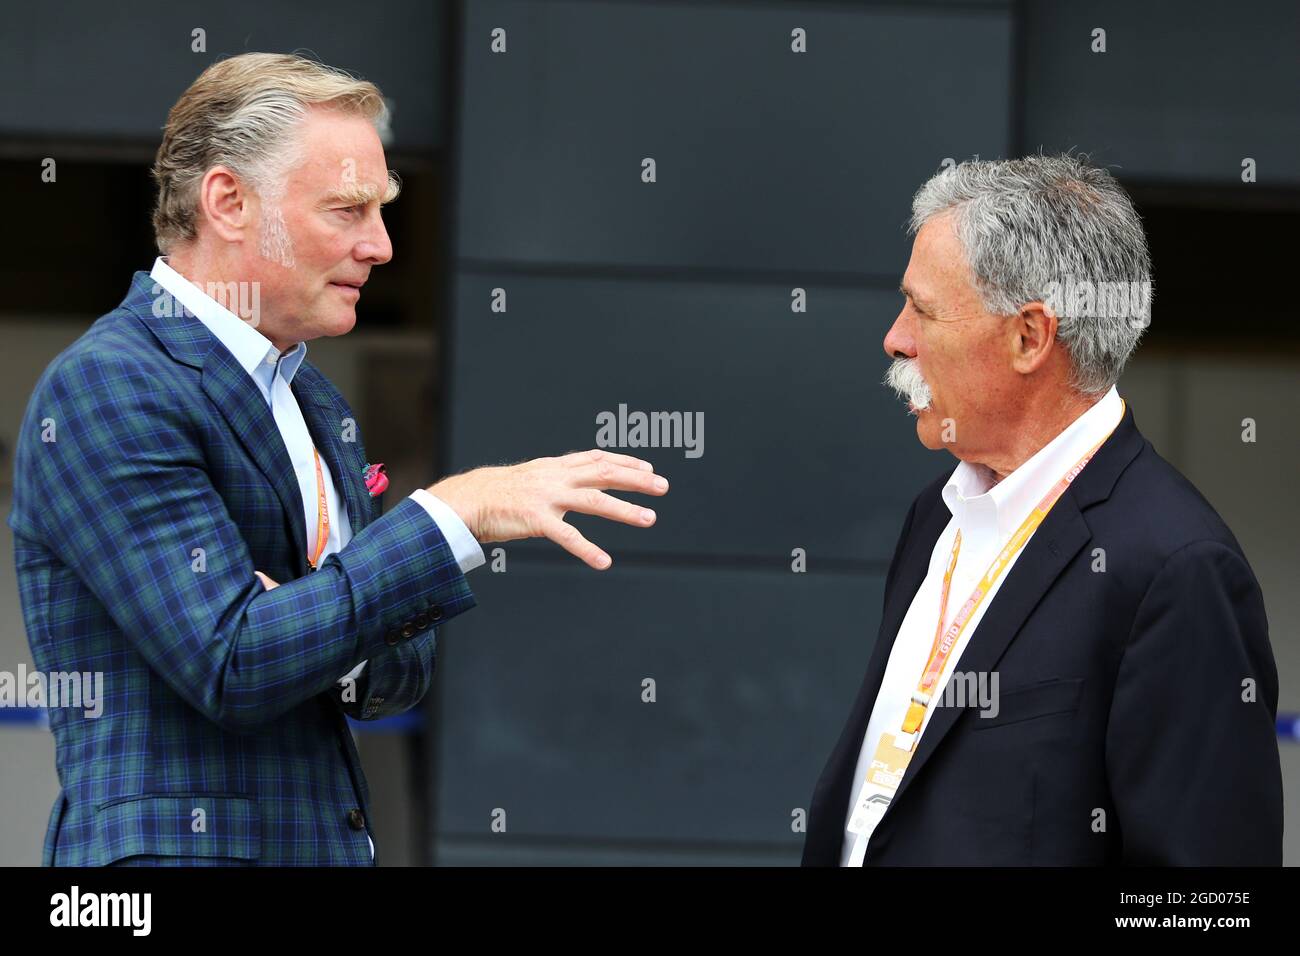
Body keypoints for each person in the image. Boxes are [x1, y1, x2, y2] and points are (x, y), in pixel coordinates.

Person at [8, 53, 667, 866]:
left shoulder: (315, 403)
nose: (383, 246)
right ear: (228, 201)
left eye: (383, 210)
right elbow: (237, 664)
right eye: (349, 210)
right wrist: (448, 517)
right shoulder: (111, 385)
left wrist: (310, 614)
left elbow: (393, 677)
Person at [802, 154, 1283, 866]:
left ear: (1029, 337)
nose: (895, 337)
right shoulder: (935, 517)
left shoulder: (1175, 569)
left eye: (924, 309)